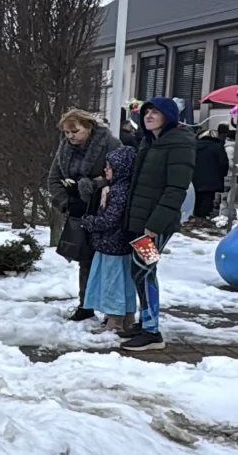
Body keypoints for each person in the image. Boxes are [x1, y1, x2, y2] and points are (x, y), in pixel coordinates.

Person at [120, 97, 197, 351]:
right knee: (140, 270)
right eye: (146, 112)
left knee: (144, 270)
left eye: (156, 112)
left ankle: (152, 332)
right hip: (140, 219)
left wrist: (155, 223)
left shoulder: (179, 144)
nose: (149, 116)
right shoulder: (151, 142)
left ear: (169, 116)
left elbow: (176, 188)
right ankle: (146, 322)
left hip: (155, 224)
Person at [46, 109, 123, 322]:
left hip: (106, 210)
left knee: (107, 260)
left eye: (75, 131)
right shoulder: (65, 148)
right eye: (66, 132)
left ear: (88, 128)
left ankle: (111, 310)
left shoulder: (110, 144)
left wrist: (91, 186)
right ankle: (86, 304)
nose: (70, 136)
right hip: (79, 211)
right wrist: (67, 201)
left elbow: (121, 176)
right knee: (85, 258)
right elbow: (53, 178)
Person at [80, 147, 138, 334]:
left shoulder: (118, 191)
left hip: (111, 244)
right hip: (120, 244)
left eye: (109, 167)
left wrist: (89, 222)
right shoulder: (125, 189)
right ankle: (128, 317)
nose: (106, 170)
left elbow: (110, 220)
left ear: (121, 169)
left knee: (112, 283)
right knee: (125, 282)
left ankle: (114, 320)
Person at [189, 128, 230, 225]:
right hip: (212, 178)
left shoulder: (193, 146)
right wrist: (222, 174)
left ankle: (196, 216)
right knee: (208, 198)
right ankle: (203, 218)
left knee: (196, 197)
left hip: (195, 176)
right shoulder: (217, 146)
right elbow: (223, 163)